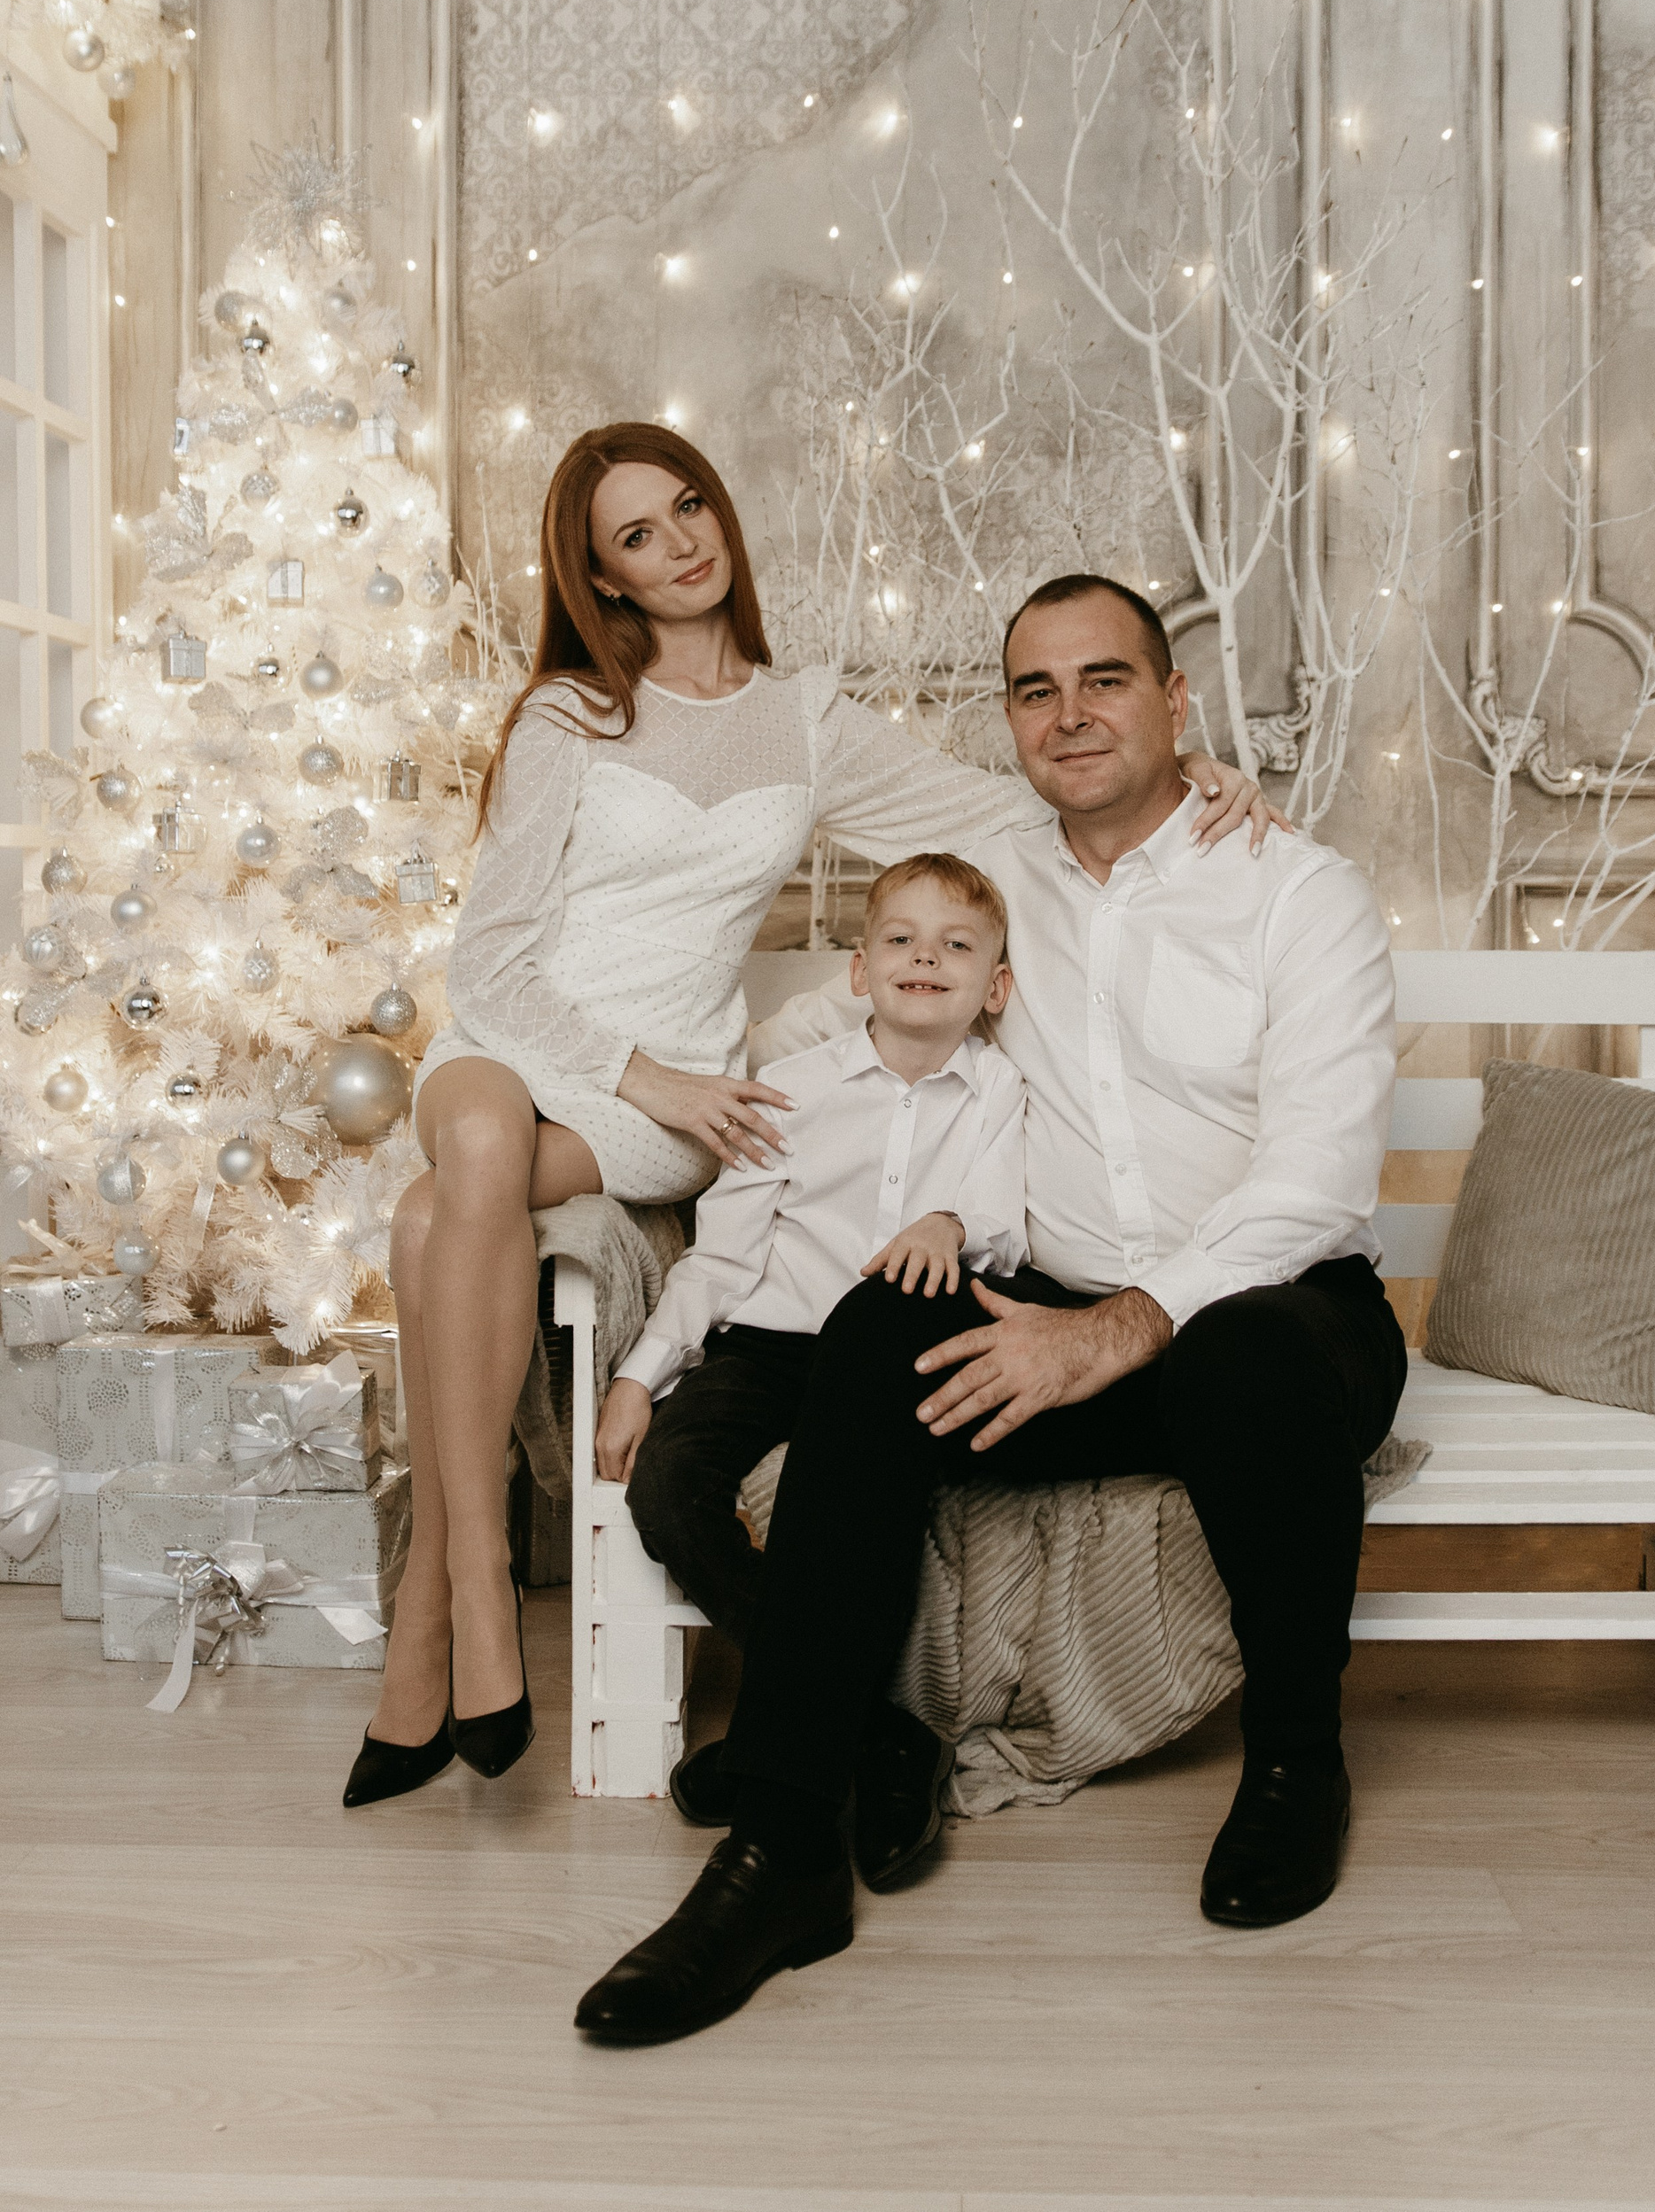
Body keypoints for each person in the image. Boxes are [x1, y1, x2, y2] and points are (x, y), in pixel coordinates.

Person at [342, 429, 1272, 1810]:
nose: (680, 543)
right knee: (465, 1153)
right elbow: (490, 963)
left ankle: (433, 1612)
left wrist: (1186, 777)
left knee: (435, 1217)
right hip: (528, 1044)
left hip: (682, 1100)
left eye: (688, 506)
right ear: (602, 578)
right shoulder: (568, 716)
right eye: (637, 536)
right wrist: (639, 1072)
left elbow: (1003, 813)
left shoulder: (807, 719)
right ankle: (474, 1581)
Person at [574, 571, 1403, 2047]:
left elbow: (1319, 1178)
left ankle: (1296, 1762)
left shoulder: (1296, 888)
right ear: (1012, 720)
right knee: (876, 1328)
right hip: (1051, 1310)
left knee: (1245, 1357)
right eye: (1037, 689)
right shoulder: (992, 876)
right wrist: (666, 1090)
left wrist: (1121, 1327)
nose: (1071, 715)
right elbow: (848, 986)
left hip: (1277, 1316)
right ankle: (787, 1843)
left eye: (1107, 680)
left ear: (1176, 703)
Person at [600, 850, 1025, 1884]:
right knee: (665, 1485)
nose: (927, 957)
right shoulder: (789, 1091)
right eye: (901, 939)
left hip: (895, 1360)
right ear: (860, 970)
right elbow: (722, 1258)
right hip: (769, 1346)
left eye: (957, 945)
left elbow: (1007, 1227)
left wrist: (950, 1220)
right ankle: (878, 1730)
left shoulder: (1001, 1090)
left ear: (996, 987)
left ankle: (783, 1740)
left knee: (866, 1506)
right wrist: (640, 1374)